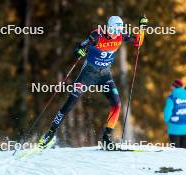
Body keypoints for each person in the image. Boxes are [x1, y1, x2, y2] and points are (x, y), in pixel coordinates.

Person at [38, 16, 148, 149]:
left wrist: (142, 28)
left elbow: (138, 42)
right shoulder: (96, 35)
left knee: (117, 104)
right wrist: (80, 51)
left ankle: (106, 139)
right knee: (70, 102)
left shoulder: (121, 35)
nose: (116, 33)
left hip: (104, 75)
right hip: (88, 73)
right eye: (114, 30)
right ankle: (50, 134)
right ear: (108, 27)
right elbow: (79, 48)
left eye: (119, 30)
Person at [164, 80, 186, 148]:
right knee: (184, 150)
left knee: (175, 150)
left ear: (173, 87)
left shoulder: (171, 98)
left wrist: (167, 122)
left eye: (171, 85)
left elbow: (167, 114)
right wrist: (185, 117)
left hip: (174, 128)